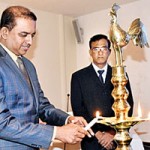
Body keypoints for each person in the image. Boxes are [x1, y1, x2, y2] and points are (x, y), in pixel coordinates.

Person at [0, 5, 90, 150]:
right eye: (24, 35)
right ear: (4, 32)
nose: (30, 41)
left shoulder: (28, 65)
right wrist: (56, 133)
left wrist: (67, 119)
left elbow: (41, 106)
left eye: (32, 35)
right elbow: (2, 123)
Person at [71, 34, 134, 150]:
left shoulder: (120, 75)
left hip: (116, 138)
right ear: (90, 52)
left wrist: (112, 133)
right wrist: (98, 134)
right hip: (91, 139)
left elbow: (128, 105)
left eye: (103, 48)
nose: (100, 52)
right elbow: (78, 109)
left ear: (109, 52)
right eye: (96, 49)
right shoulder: (78, 77)